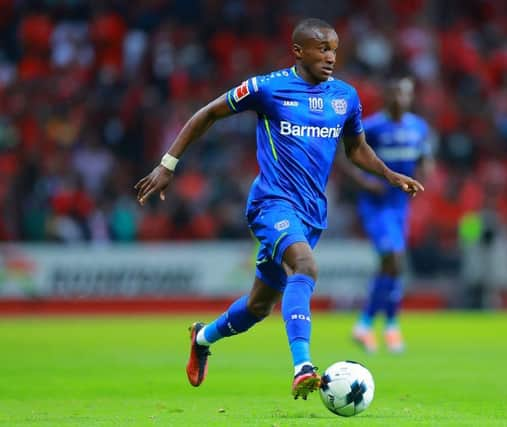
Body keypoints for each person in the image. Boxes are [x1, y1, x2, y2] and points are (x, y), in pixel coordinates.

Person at [134, 18, 423, 400]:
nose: (330, 57)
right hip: (271, 203)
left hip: (312, 212)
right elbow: (207, 114)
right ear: (298, 51)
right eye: (321, 49)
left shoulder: (345, 97)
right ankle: (303, 366)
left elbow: (355, 149)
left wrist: (388, 174)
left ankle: (202, 338)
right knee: (304, 266)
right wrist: (167, 165)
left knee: (258, 306)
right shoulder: (267, 88)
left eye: (334, 49)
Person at [347, 76, 434, 353]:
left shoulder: (419, 127)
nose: (400, 98)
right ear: (386, 96)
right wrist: (365, 182)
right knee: (394, 259)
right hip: (377, 205)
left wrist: (424, 171)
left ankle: (368, 325)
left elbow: (424, 158)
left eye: (405, 93)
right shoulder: (371, 127)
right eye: (395, 92)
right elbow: (347, 157)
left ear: (411, 97)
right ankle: (388, 326)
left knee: (391, 265)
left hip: (401, 205)